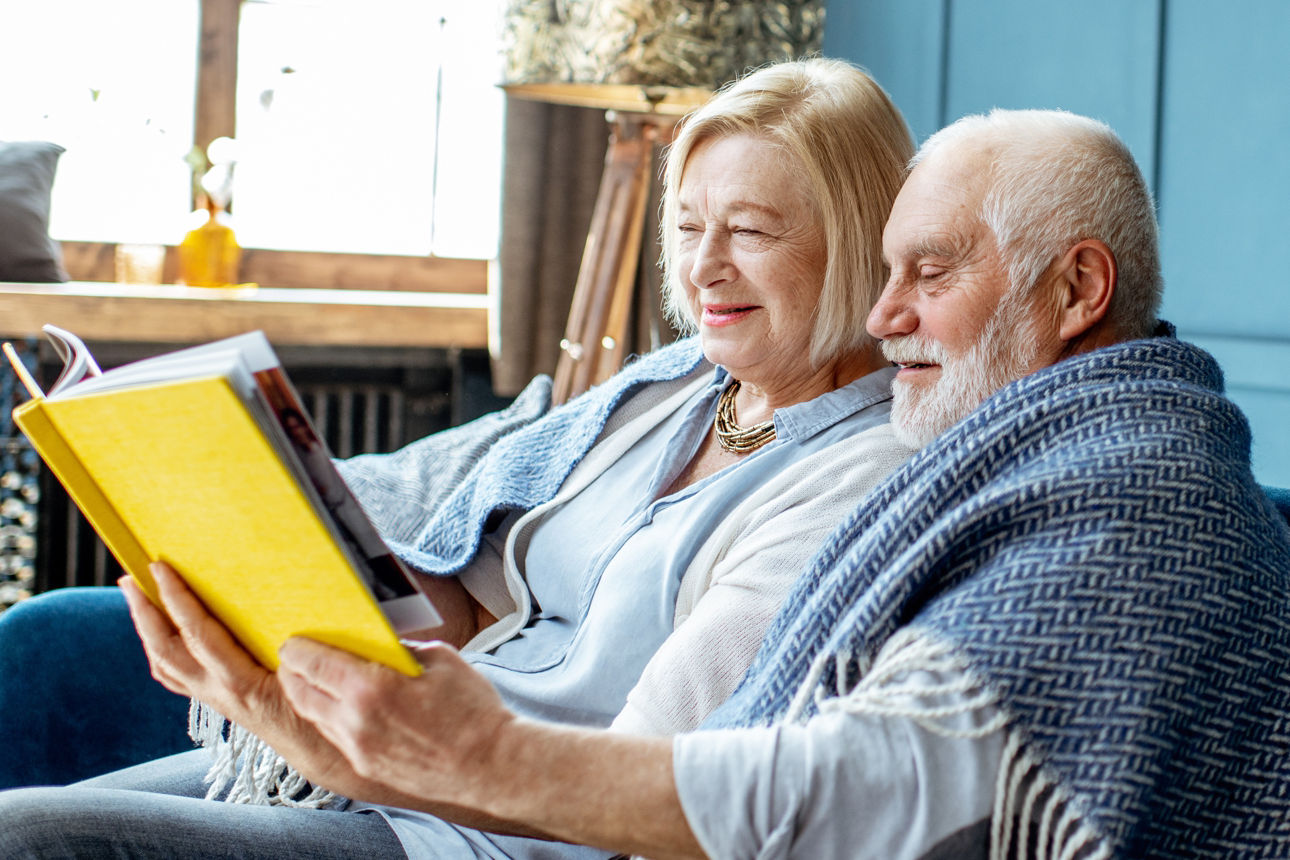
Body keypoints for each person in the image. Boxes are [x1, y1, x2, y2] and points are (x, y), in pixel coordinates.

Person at [30, 107, 1282, 860]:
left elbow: (886, 779)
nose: (887, 312)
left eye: (931, 272)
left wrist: (483, 754)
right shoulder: (1039, 450)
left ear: (1076, 290)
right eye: (689, 226)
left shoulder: (1134, 503)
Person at [0, 58, 922, 854]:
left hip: (480, 828)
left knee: (25, 839)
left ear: (858, 243)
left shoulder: (862, 474)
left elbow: (656, 779)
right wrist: (282, 556)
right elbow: (467, 597)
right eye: (687, 227)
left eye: (751, 231)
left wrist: (384, 748)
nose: (704, 267)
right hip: (387, 769)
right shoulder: (670, 389)